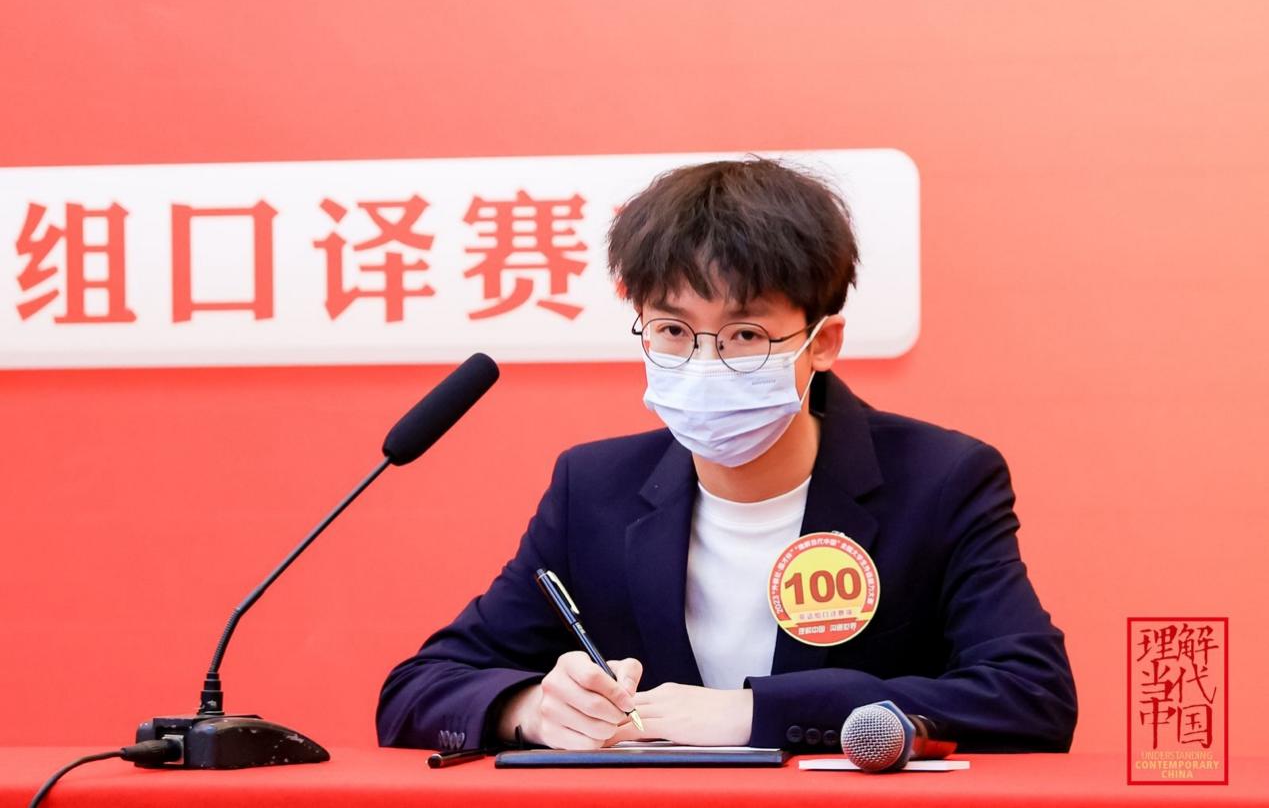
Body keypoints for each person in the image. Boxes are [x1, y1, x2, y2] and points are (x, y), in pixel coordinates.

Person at [376, 157, 1077, 754]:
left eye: (745, 335)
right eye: (672, 331)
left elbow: (1030, 696)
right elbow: (417, 690)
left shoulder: (941, 480)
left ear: (823, 343)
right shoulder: (591, 488)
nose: (704, 363)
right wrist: (529, 708)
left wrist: (754, 713)